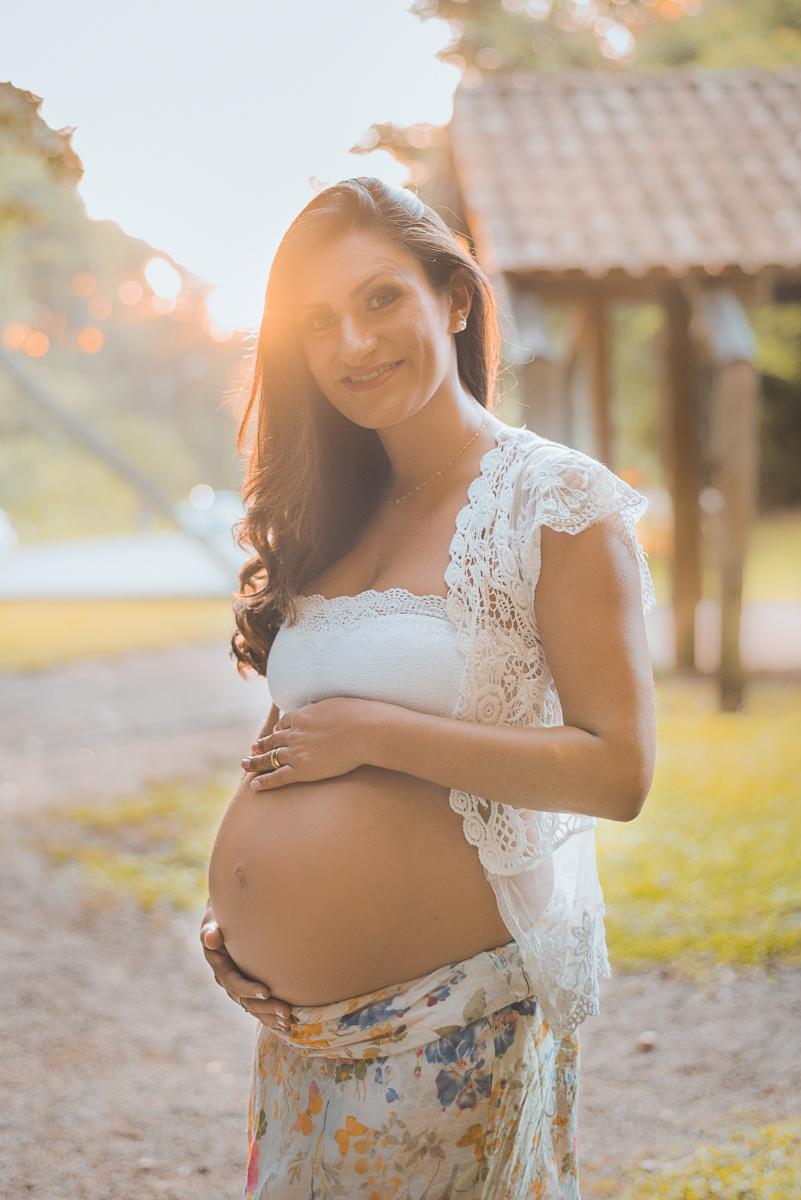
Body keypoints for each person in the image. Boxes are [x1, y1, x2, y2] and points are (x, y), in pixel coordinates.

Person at [200, 177, 656, 1199]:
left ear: (451, 299)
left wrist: (375, 734)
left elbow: (619, 772)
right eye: (319, 323)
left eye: (380, 300)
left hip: (450, 1029)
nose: (353, 345)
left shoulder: (554, 500)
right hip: (303, 1037)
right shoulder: (335, 508)